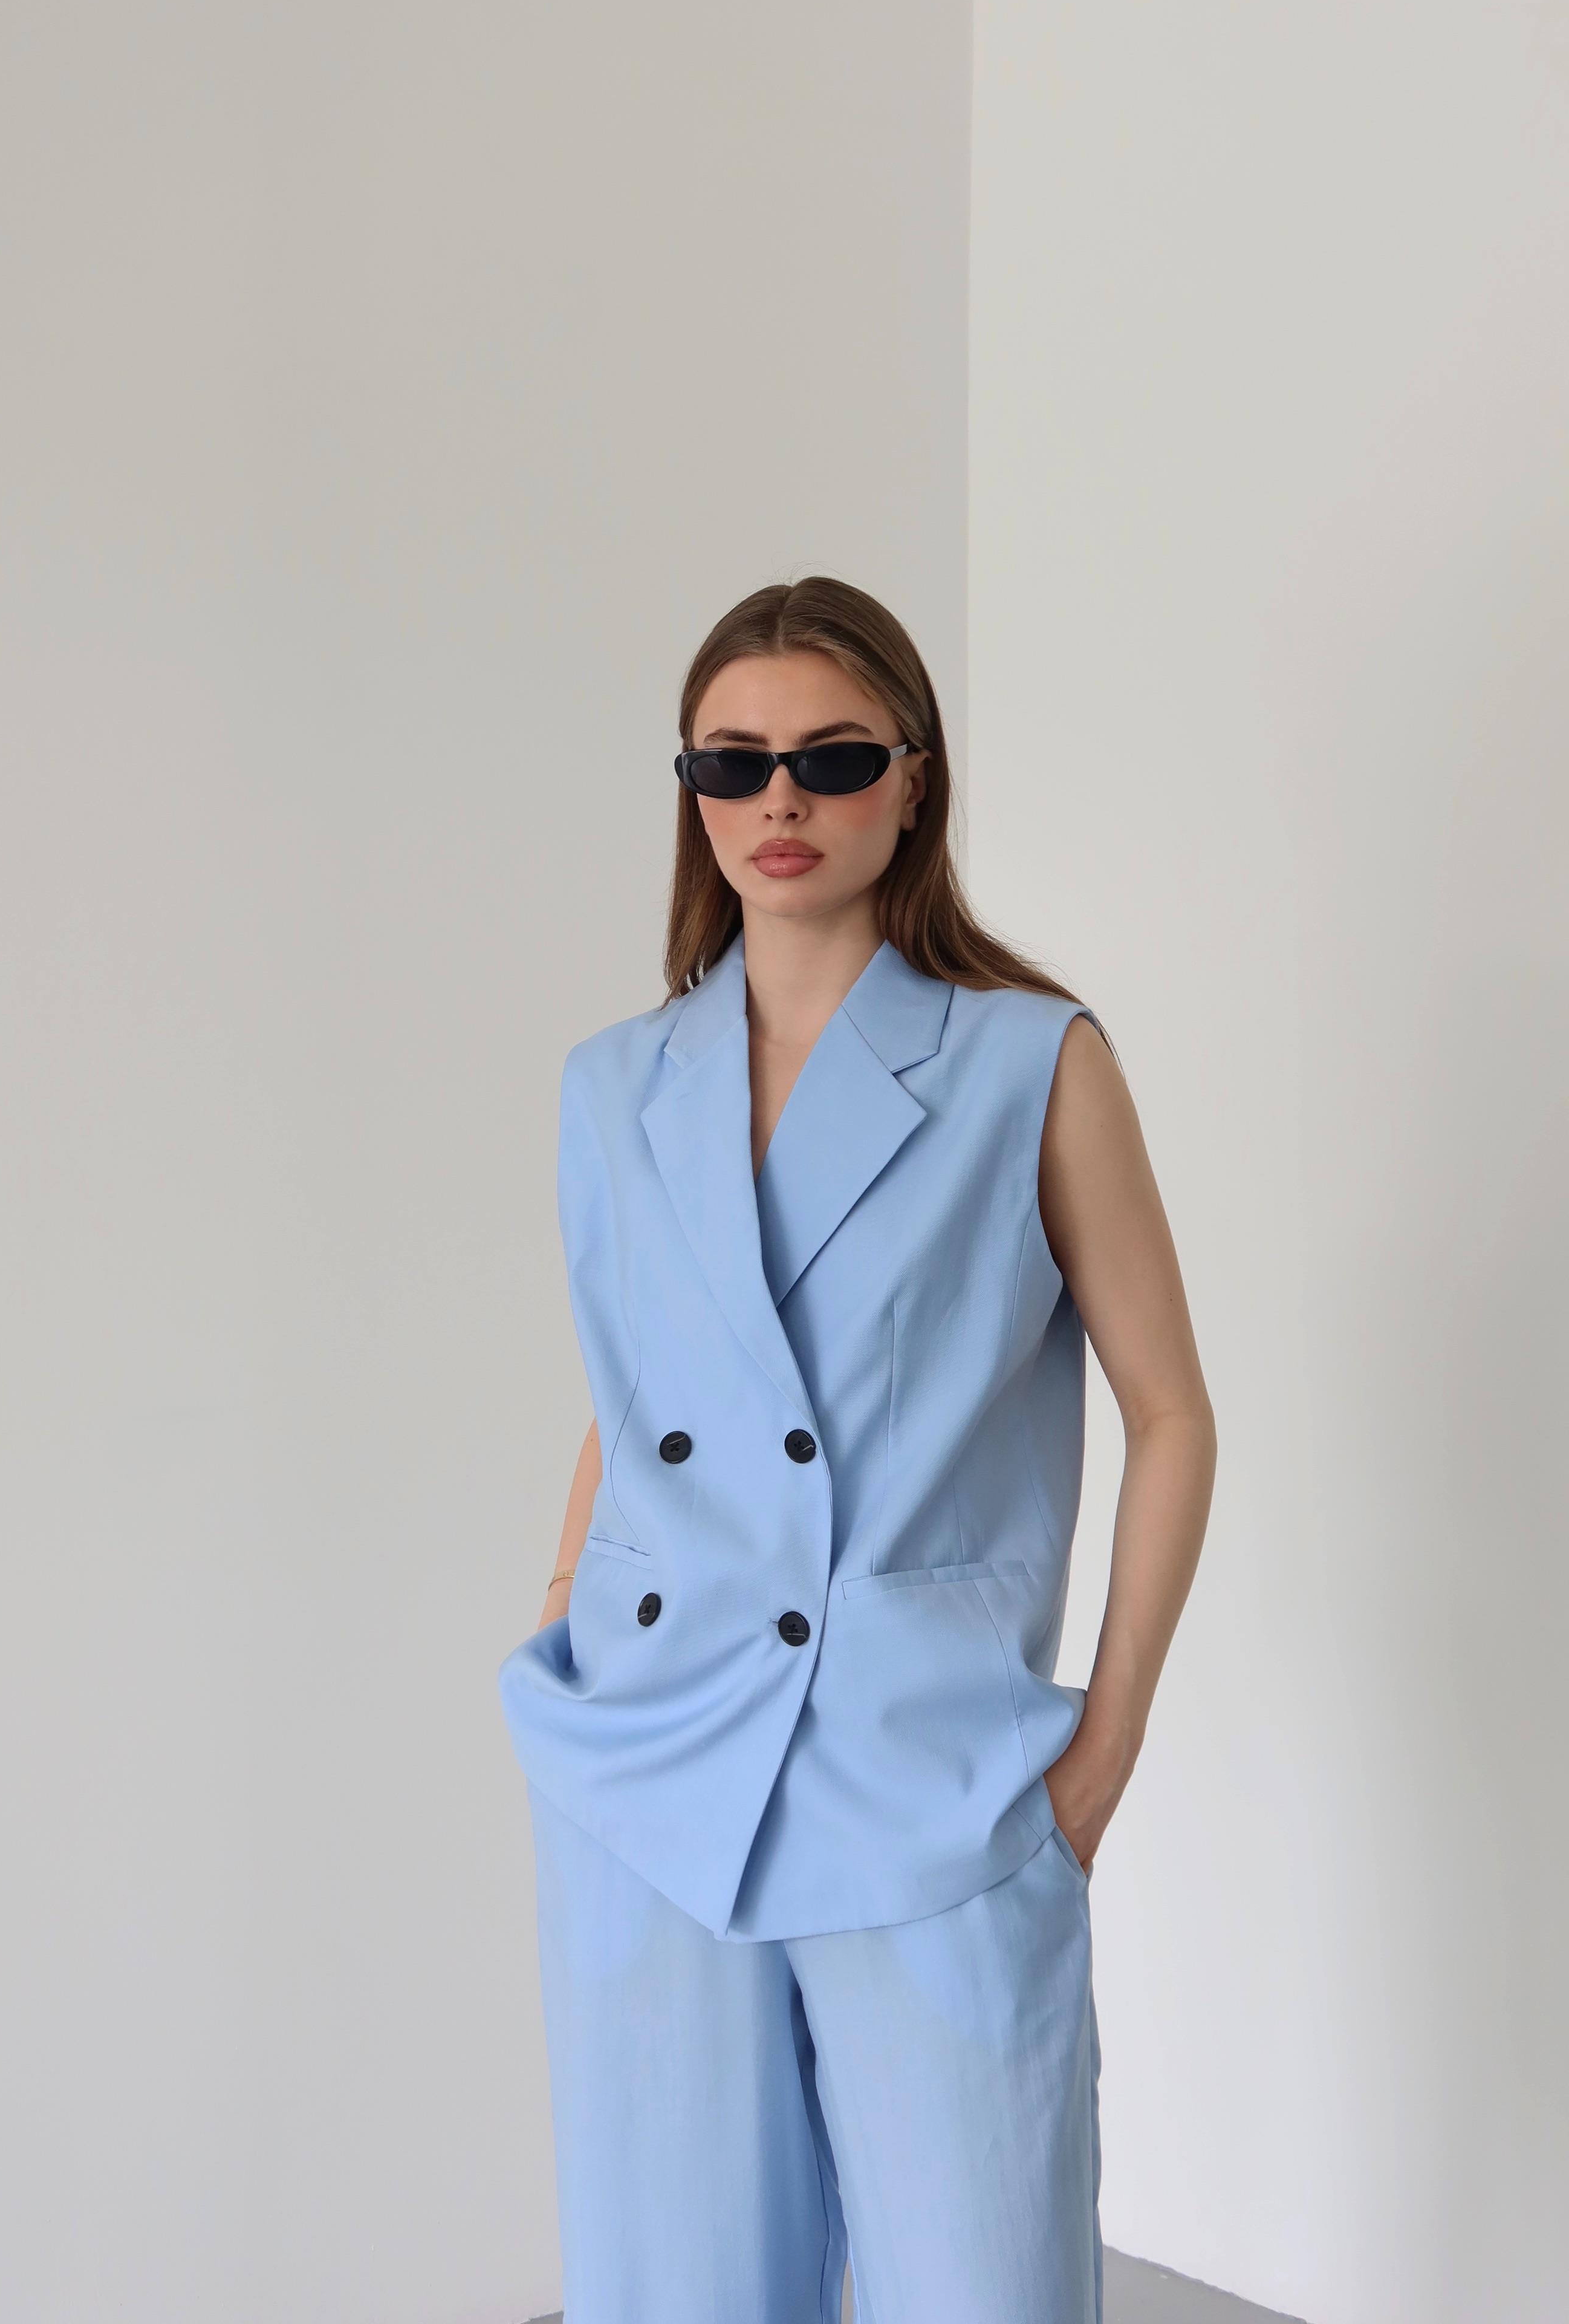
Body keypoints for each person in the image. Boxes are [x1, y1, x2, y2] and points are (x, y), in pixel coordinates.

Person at [497, 576, 1217, 2324]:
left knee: (984, 2287)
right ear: (689, 790)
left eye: (830, 757)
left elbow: (1172, 1415)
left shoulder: (1032, 1062)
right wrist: (567, 1627)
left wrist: (1101, 1757)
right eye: (731, 763)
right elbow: (637, 1401)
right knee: (674, 2294)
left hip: (927, 1773)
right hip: (653, 1761)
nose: (781, 800)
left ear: (913, 778)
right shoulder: (615, 1087)